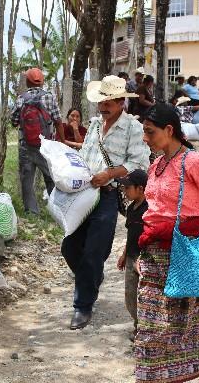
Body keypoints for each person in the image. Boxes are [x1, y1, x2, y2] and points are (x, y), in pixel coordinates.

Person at [136, 102, 199, 383]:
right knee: (151, 327)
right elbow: (152, 210)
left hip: (186, 254)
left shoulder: (194, 162)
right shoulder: (156, 164)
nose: (146, 138)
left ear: (169, 130)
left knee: (194, 321)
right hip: (155, 255)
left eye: (150, 132)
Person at [61, 75, 150, 330]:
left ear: (121, 102)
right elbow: (84, 155)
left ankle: (82, 305)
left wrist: (109, 174)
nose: (103, 107)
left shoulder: (133, 128)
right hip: (83, 193)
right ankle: (92, 277)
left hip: (108, 195)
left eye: (109, 102)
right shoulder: (94, 125)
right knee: (69, 246)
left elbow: (139, 164)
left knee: (94, 250)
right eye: (101, 101)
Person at [11, 68, 65, 214]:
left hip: (26, 146)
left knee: (27, 181)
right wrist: (63, 142)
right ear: (42, 82)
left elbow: (14, 122)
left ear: (27, 82)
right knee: (51, 177)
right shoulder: (49, 97)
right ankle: (57, 211)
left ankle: (32, 212)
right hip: (46, 146)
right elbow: (58, 121)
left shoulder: (21, 98)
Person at [115, 169, 148, 333]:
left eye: (128, 188)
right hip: (131, 258)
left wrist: (143, 259)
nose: (124, 191)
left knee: (146, 296)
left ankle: (143, 329)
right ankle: (138, 324)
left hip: (145, 261)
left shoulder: (150, 210)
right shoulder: (131, 210)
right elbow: (131, 234)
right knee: (130, 296)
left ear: (140, 188)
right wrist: (124, 254)